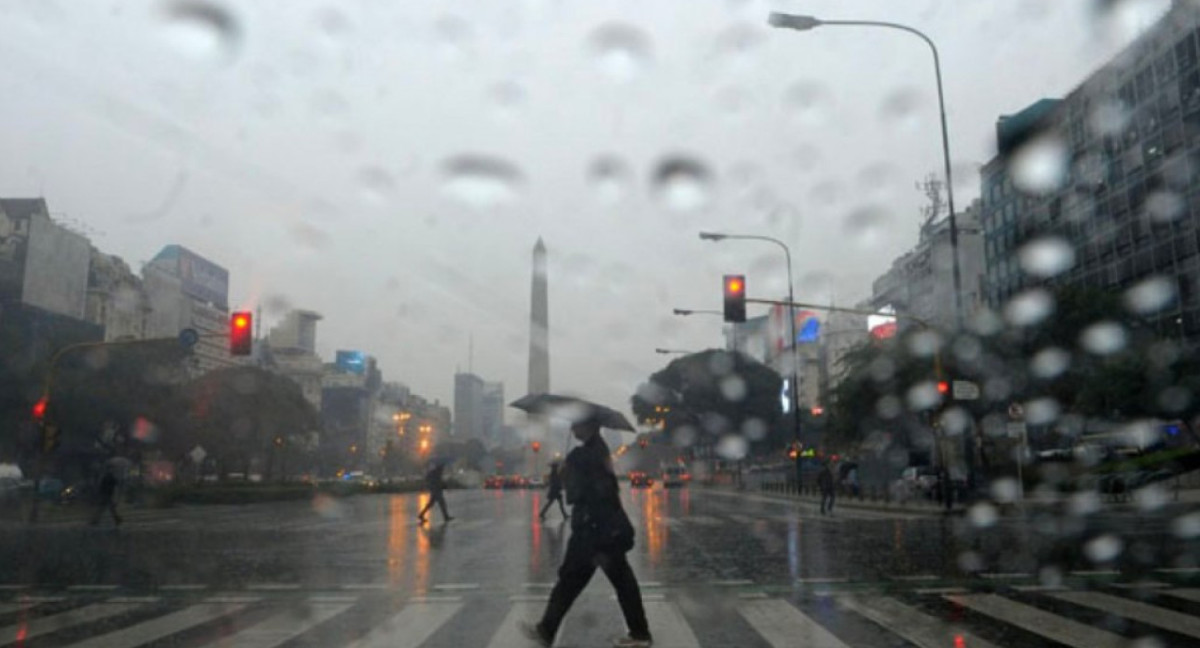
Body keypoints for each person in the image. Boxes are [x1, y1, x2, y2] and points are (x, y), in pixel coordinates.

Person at [521, 416, 652, 648]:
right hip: (604, 528)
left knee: (575, 580)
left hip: (593, 531)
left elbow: (576, 495)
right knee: (605, 581)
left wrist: (564, 473)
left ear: (590, 426)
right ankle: (547, 629)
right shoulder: (599, 450)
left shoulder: (583, 455)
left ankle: (547, 629)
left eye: (577, 424)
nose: (572, 428)